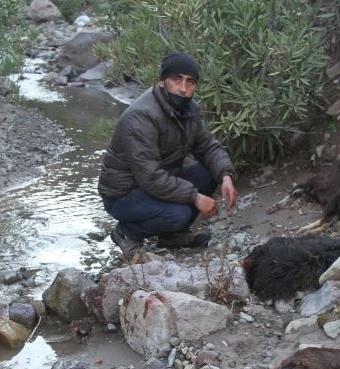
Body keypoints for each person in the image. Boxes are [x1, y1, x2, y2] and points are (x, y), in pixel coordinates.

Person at [98, 51, 238, 258]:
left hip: (157, 184)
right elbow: (150, 177)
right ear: (162, 81)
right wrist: (195, 196)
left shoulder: (189, 110)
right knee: (178, 213)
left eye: (190, 82)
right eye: (176, 79)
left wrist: (226, 175)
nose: (183, 89)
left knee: (209, 172)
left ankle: (171, 236)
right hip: (123, 194)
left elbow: (208, 146)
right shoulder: (140, 117)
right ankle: (126, 233)